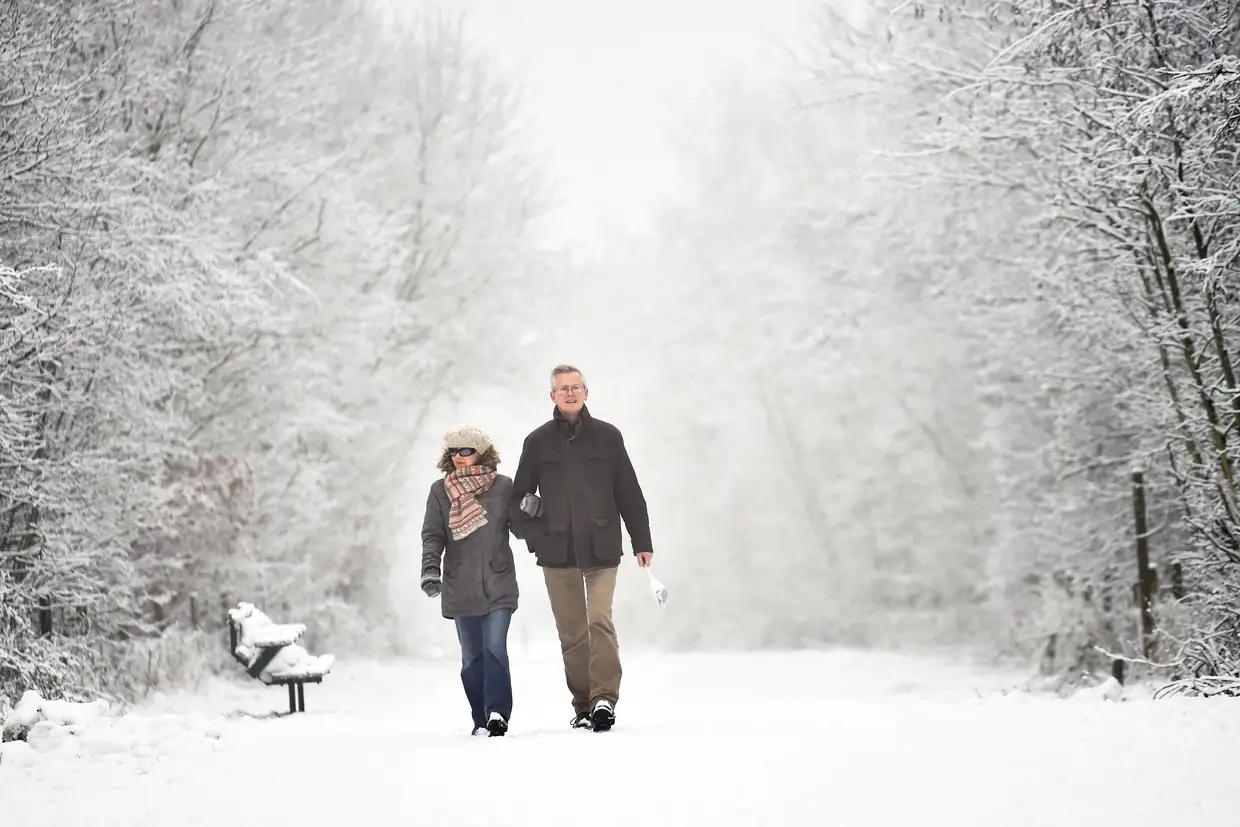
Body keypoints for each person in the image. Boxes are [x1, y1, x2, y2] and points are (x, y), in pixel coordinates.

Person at [508, 364, 654, 732]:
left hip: (602, 546)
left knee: (599, 620)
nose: (570, 393)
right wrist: (535, 537)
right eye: (563, 388)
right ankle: (584, 703)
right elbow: (518, 500)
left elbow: (629, 492)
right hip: (557, 552)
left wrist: (642, 541)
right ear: (552, 396)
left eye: (576, 387)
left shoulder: (608, 437)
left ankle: (605, 698)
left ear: (586, 393)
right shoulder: (537, 442)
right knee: (572, 631)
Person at [420, 424, 520, 737]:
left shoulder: (503, 486)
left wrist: (533, 511)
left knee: (495, 648)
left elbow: (521, 527)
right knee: (471, 658)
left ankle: (497, 714)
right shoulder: (440, 491)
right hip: (459, 584)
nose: (461, 457)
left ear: (482, 453)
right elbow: (433, 535)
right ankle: (480, 716)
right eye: (454, 452)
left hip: (498, 581)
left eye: (467, 451)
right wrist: (430, 569)